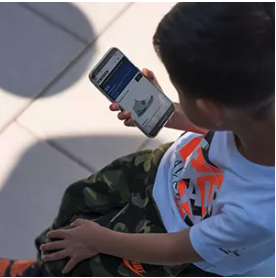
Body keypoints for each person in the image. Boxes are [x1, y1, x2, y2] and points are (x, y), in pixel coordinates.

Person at [1, 2, 274, 277]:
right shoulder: (259, 107)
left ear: (209, 108)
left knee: (81, 264)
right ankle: (40, 267)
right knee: (80, 200)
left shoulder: (258, 212)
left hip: (164, 238)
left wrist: (98, 240)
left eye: (183, 92)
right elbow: (223, 125)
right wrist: (167, 112)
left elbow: (176, 249)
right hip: (165, 171)